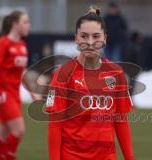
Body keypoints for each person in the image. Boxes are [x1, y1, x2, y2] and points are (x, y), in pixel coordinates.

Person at [46, 6, 134, 160]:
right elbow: (55, 124)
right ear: (76, 39)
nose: (90, 42)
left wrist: (129, 157)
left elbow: (121, 121)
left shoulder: (117, 73)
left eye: (96, 36)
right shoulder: (63, 74)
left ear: (105, 38)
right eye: (84, 36)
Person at [0, 10, 30, 160]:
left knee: (4, 132)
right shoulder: (2, 43)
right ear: (15, 24)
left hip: (14, 94)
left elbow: (22, 72)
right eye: (25, 22)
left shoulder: (22, 45)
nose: (28, 25)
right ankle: (9, 157)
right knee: (19, 129)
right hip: (3, 94)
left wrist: (32, 92)